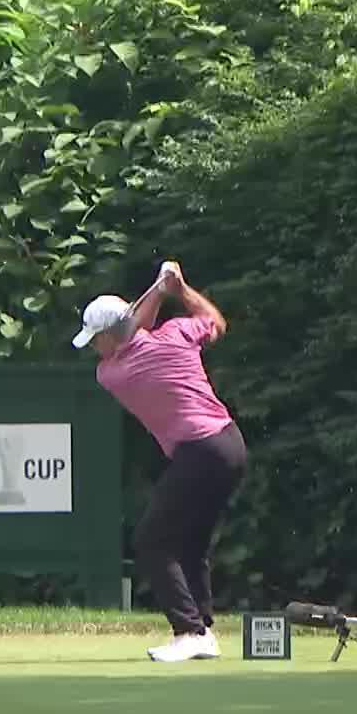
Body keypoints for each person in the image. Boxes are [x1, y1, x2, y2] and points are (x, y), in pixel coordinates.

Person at [72, 261, 246, 663]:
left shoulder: (113, 371)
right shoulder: (176, 336)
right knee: (190, 542)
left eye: (96, 339)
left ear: (111, 337)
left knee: (151, 541)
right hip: (231, 445)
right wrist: (179, 289)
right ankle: (202, 631)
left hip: (200, 452)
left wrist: (159, 292)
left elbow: (133, 330)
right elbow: (213, 320)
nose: (94, 348)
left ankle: (188, 631)